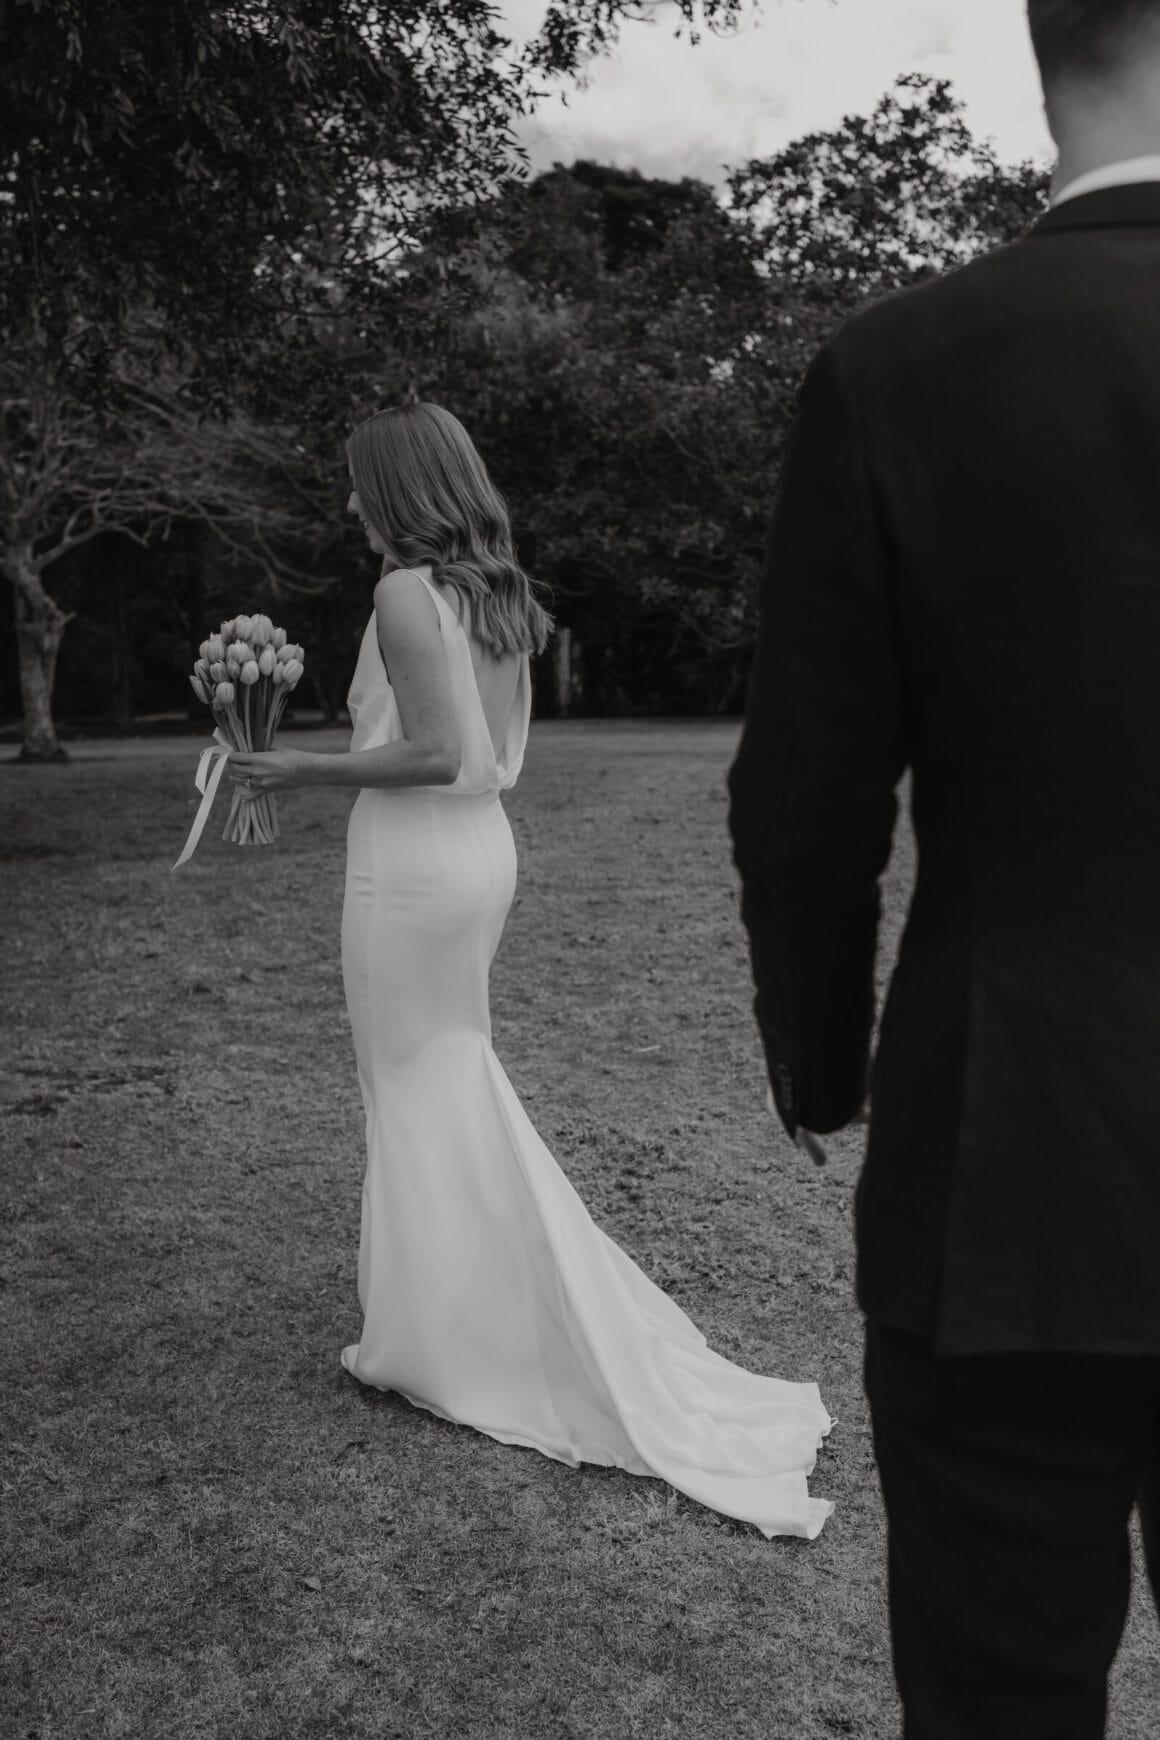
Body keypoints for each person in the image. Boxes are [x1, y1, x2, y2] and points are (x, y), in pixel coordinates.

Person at [728, 2, 1160, 1733]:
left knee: (998, 1701)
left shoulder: (901, 368)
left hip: (1005, 1162)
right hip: (1013, 1171)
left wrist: (823, 1061)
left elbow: (803, 798)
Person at [228, 401, 832, 1540]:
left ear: (399, 487)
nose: (349, 501)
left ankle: (435, 1339)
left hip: (413, 865)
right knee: (446, 1075)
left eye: (359, 482)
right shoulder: (496, 592)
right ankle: (452, 1312)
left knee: (412, 1085)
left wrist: (293, 771)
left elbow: (434, 752)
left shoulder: (405, 593)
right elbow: (483, 754)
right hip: (477, 855)